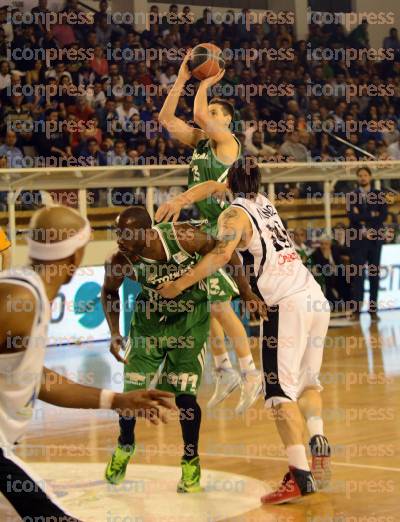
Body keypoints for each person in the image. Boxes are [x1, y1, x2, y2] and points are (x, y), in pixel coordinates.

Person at [158, 158, 331, 505]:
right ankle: (318, 440)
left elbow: (221, 256)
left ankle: (299, 476)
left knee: (280, 396)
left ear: (229, 183)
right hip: (315, 299)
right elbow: (215, 191)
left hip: (286, 306)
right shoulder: (263, 203)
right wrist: (181, 201)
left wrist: (180, 283)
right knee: (308, 382)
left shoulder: (233, 216)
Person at [0, 205, 176, 521]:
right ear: (73, 259)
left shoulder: (29, 294)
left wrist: (117, 400)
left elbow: (38, 381)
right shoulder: (20, 299)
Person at [102, 206, 263, 492]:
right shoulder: (120, 260)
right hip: (148, 326)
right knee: (130, 397)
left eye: (126, 233)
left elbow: (227, 254)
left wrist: (247, 291)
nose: (119, 239)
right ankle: (125, 444)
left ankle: (191, 462)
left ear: (146, 231)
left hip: (189, 322)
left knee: (186, 400)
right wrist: (114, 333)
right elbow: (110, 292)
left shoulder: (184, 238)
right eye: (117, 233)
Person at [158, 50, 262, 414]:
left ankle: (250, 372)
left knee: (219, 306)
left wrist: (206, 80)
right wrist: (183, 78)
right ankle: (223, 369)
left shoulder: (228, 144)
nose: (209, 117)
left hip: (225, 229)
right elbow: (166, 118)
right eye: (211, 112)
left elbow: (199, 113)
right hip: (201, 228)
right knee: (204, 305)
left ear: (229, 122)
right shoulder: (201, 142)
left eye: (219, 114)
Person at [347, 167, 388, 320]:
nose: (363, 178)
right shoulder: (351, 195)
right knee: (357, 276)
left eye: (365, 175)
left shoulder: (379, 194)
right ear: (357, 178)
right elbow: (351, 216)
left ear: (370, 177)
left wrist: (364, 218)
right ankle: (356, 311)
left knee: (374, 275)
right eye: (360, 175)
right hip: (358, 240)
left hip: (375, 240)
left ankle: (373, 310)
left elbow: (383, 215)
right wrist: (371, 214)